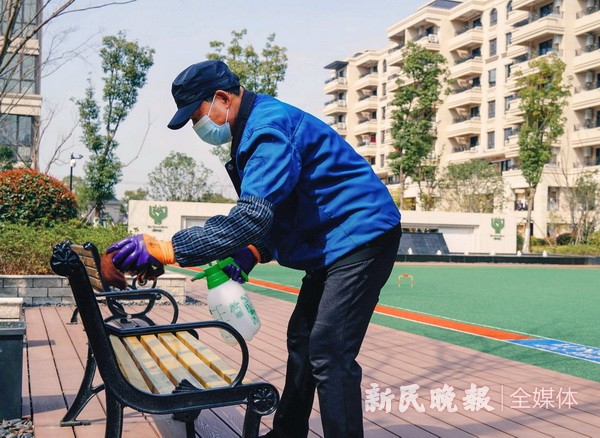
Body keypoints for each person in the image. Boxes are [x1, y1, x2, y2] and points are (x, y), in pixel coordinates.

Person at [108, 60, 401, 438]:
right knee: (302, 339)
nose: (198, 127)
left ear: (221, 98)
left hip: (362, 235)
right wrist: (252, 252)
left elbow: (251, 216)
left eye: (197, 116)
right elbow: (281, 207)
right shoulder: (253, 129)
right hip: (332, 240)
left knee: (330, 351)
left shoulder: (266, 130)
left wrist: (167, 248)